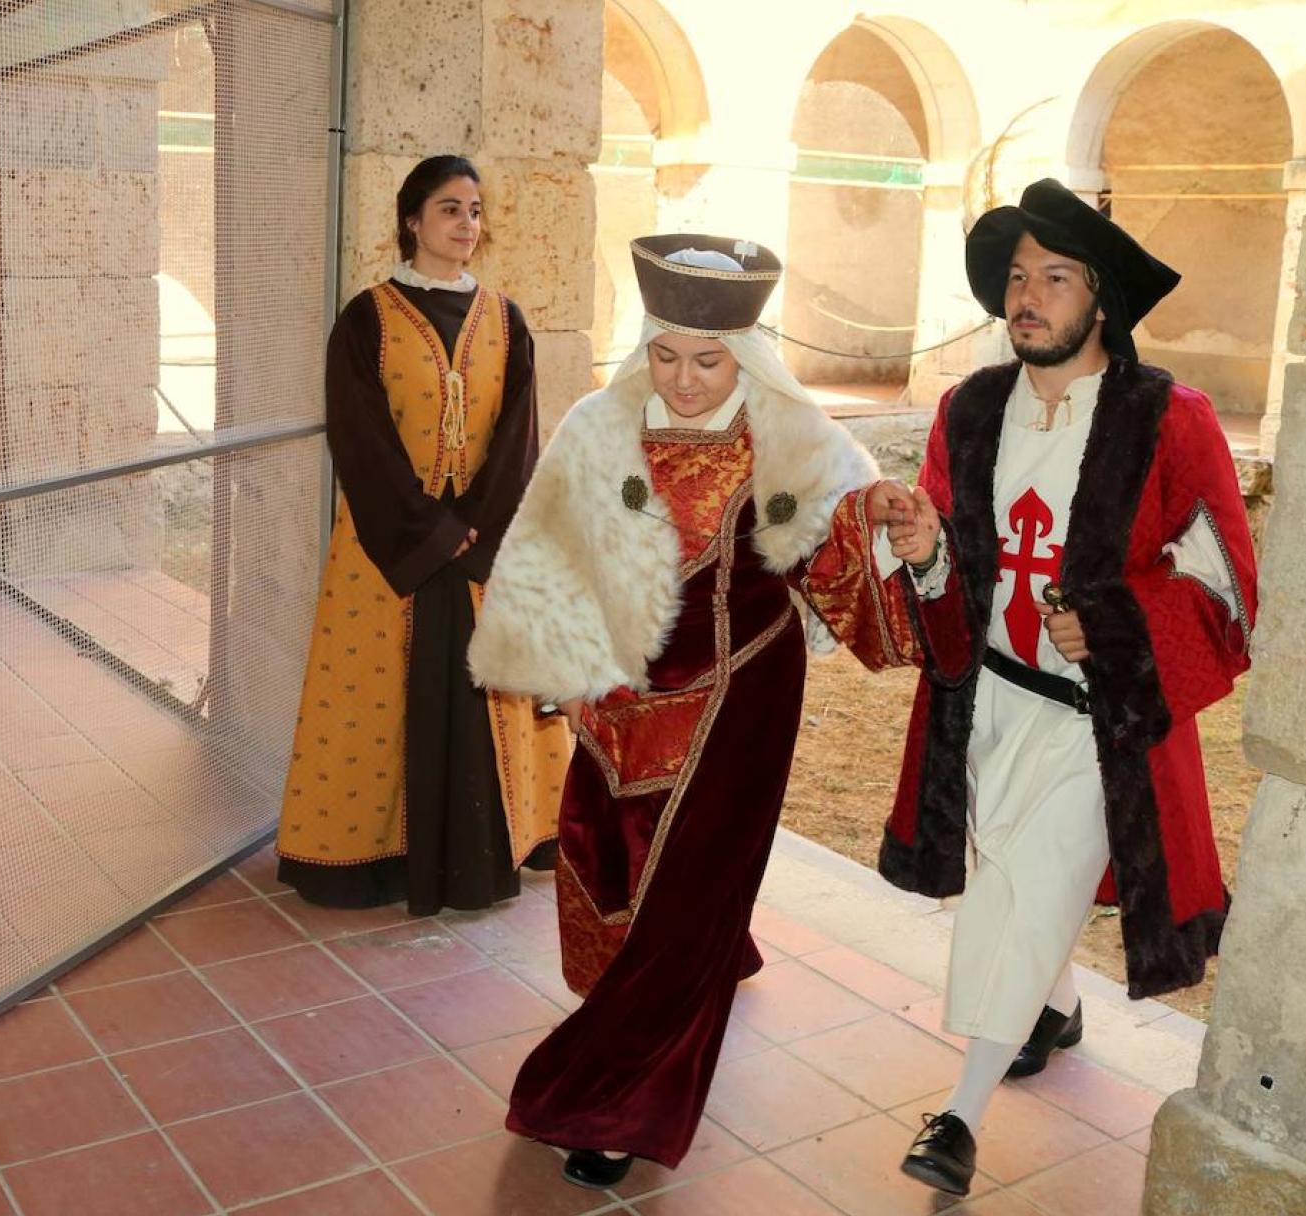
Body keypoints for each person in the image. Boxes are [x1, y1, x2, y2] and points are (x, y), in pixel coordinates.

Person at [469, 234, 937, 1188]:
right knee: (612, 862)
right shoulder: (600, 425)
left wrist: (888, 529)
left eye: (708, 360)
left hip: (738, 699)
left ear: (746, 354)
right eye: (667, 355)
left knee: (685, 897)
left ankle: (611, 1101)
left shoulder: (790, 441)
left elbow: (841, 562)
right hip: (615, 696)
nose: (683, 380)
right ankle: (708, 953)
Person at [879, 179, 1259, 1197]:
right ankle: (1057, 1004)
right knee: (1005, 859)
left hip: (1101, 721)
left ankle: (959, 1112)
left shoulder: (1167, 419)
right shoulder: (971, 409)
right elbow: (954, 570)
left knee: (1027, 882)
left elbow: (1225, 581)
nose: (1027, 298)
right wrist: (924, 555)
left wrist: (1118, 626)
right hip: (989, 702)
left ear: (1103, 300)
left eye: (1054, 277)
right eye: (1016, 278)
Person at [276, 155, 566, 915]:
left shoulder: (506, 319)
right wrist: (430, 531)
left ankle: (487, 855)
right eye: (448, 209)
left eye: (474, 211)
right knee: (374, 697)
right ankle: (374, 859)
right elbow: (358, 438)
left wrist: (475, 528)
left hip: (481, 542)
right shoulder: (366, 319)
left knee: (488, 692)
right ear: (411, 220)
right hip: (387, 546)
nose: (465, 224)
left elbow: (518, 437)